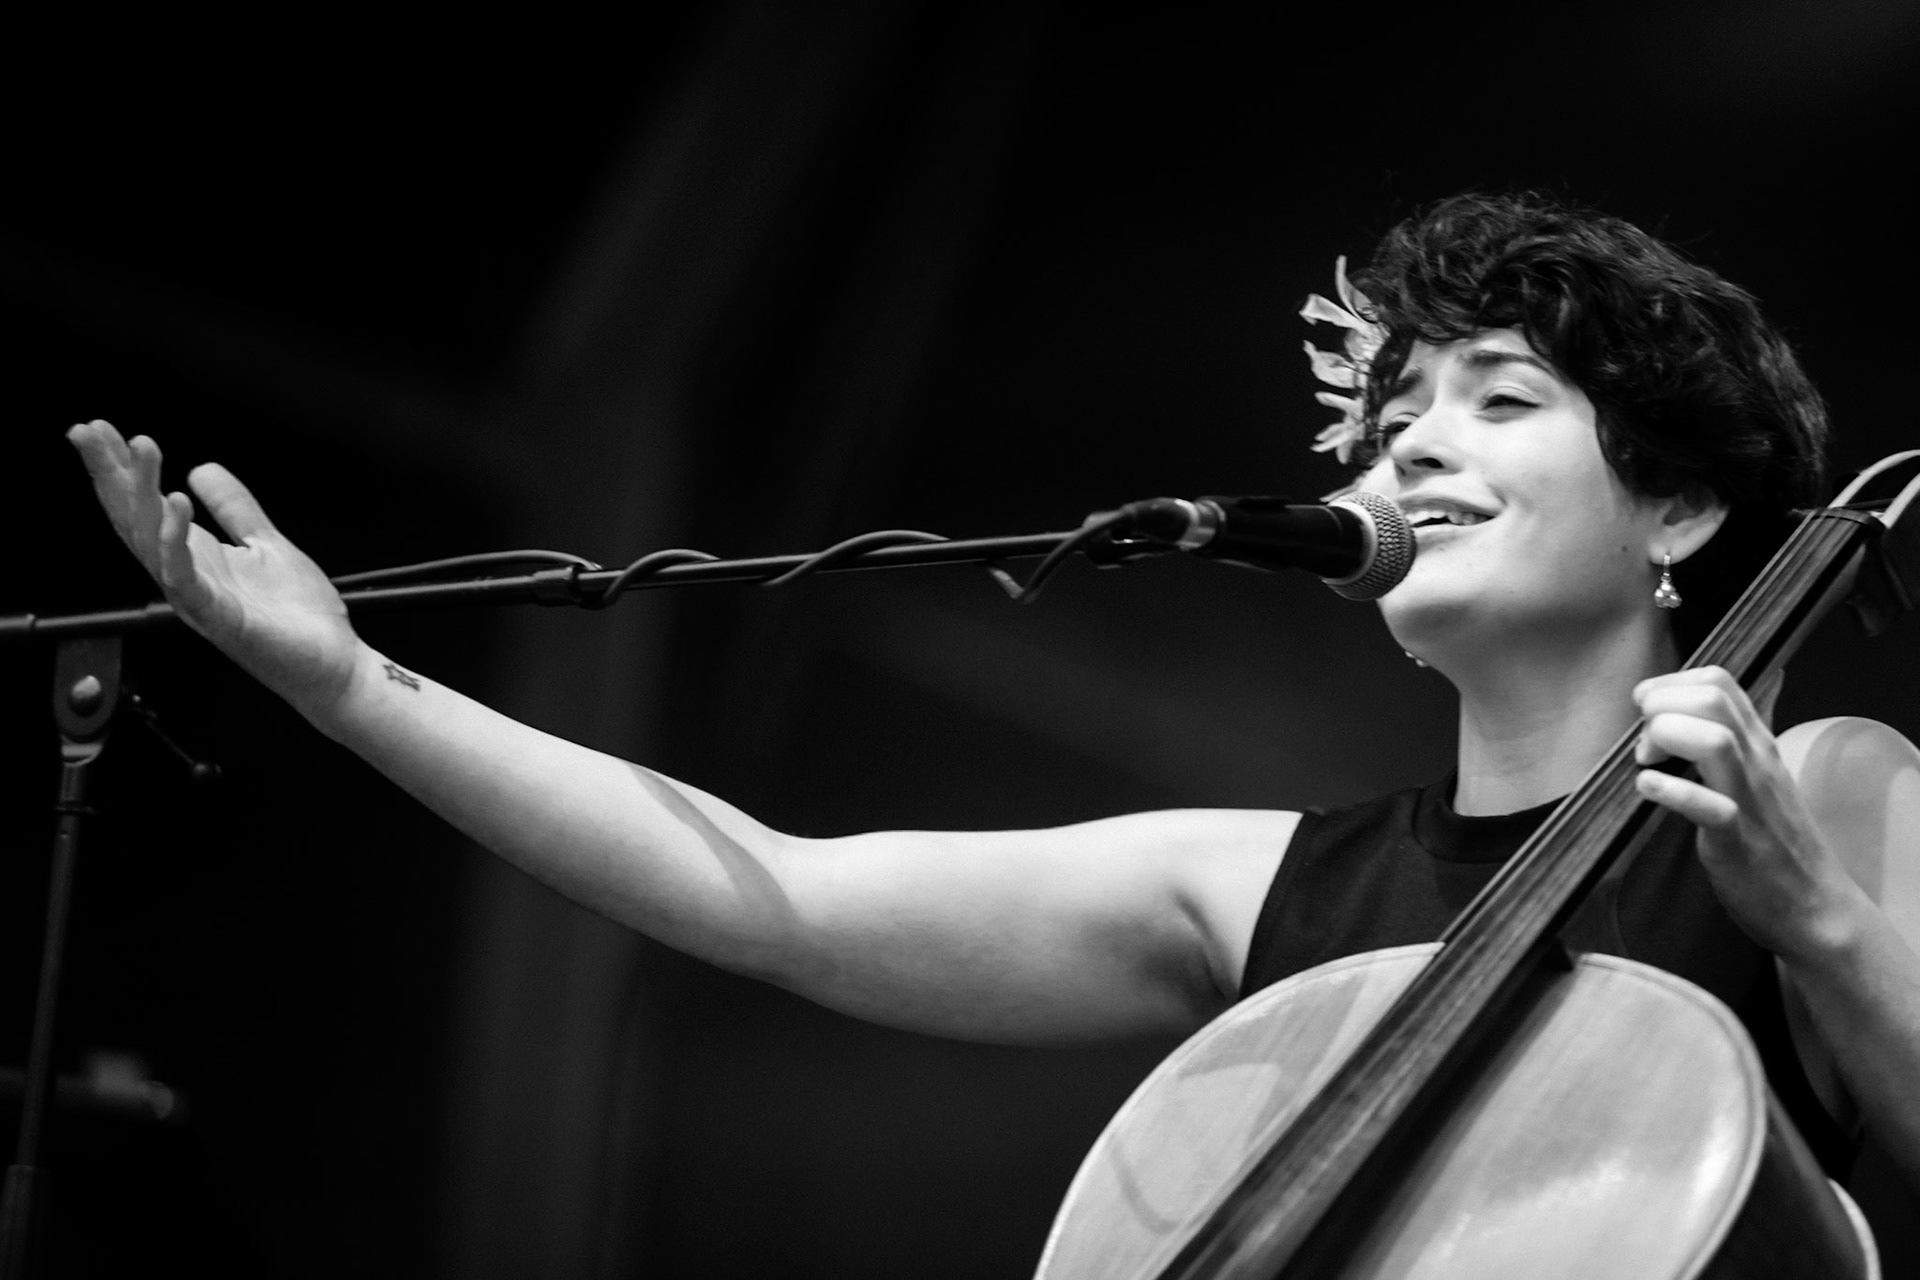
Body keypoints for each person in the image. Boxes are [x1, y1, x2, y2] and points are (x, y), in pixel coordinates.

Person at [68, 192, 1920, 1225]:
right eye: (1397, 409)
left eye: (1501, 399)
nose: (1415, 437)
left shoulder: (1823, 788)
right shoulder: (1258, 889)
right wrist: (347, 683)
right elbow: (768, 896)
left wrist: (1821, 926)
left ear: (1680, 506)